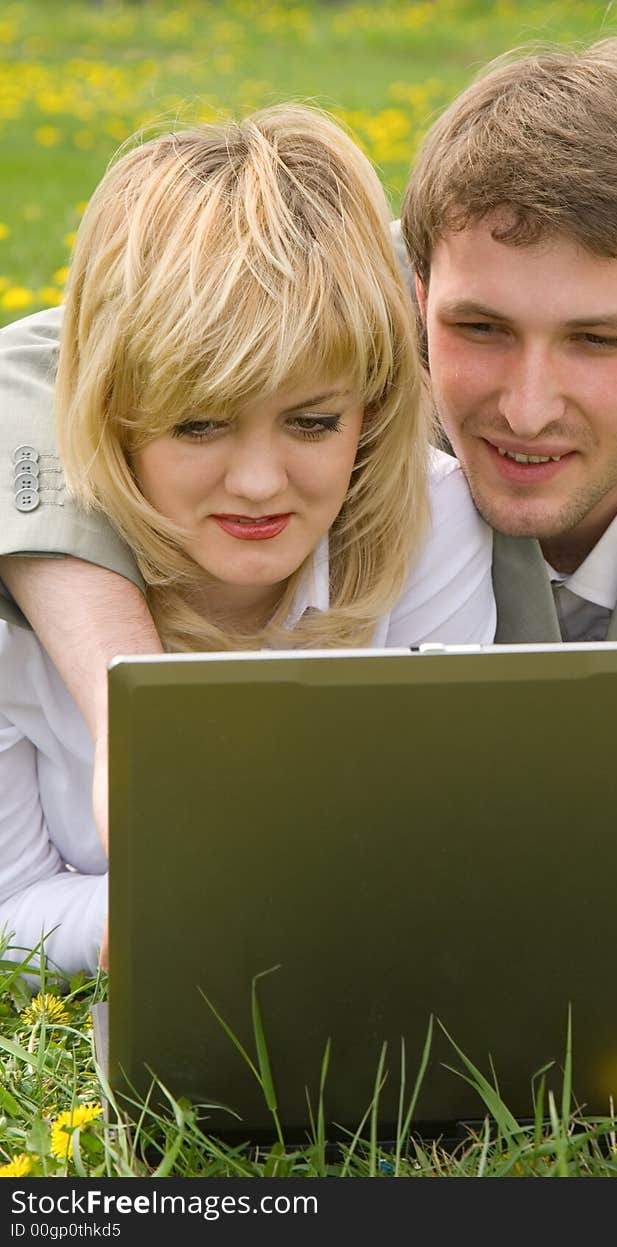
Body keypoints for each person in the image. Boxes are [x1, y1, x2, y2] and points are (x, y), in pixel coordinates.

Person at [1, 35, 617, 900]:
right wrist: (132, 711)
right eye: (480, 329)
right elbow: (41, 369)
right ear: (415, 293)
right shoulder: (349, 296)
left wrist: (576, 842)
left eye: (596, 341)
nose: (526, 409)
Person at [0, 104, 495, 980]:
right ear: (115, 415)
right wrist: (145, 918)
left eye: (312, 422)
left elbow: (440, 840)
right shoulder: (23, 600)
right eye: (199, 426)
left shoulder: (432, 520)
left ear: (370, 407)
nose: (261, 481)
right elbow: (10, 904)